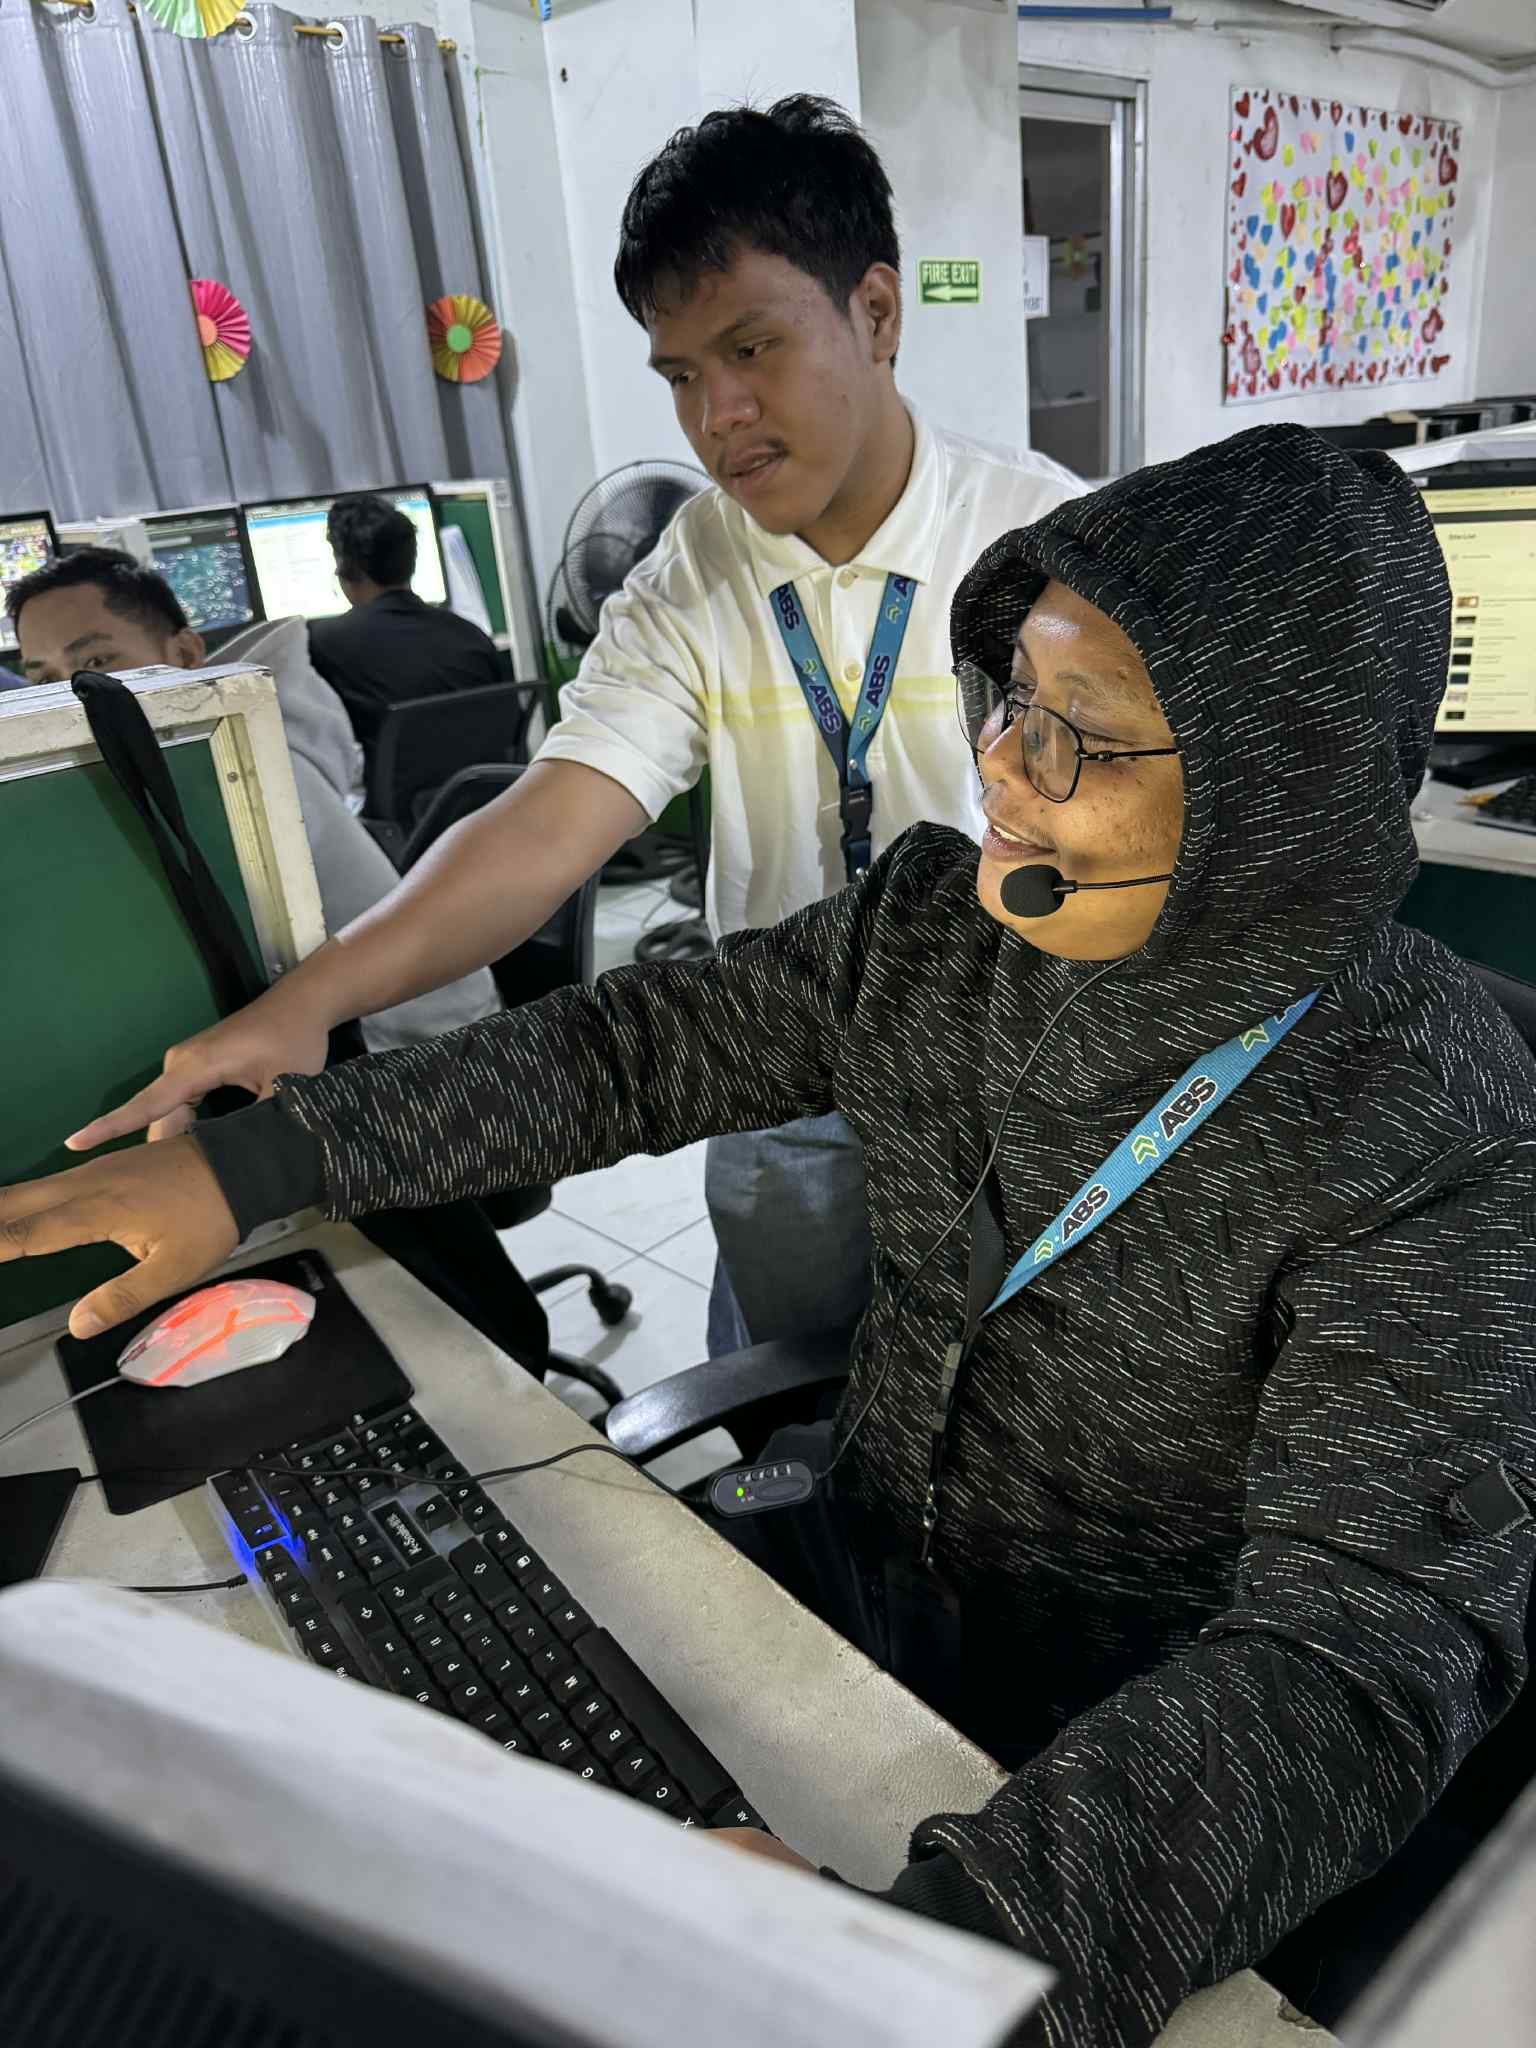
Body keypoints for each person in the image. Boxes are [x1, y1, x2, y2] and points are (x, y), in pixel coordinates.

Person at [9, 425, 1536, 2045]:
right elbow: (632, 1048)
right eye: (1010, 695)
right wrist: (268, 1158)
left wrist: (951, 1947)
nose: (1003, 769)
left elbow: (1351, 1656)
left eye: (1078, 739)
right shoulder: (940, 926)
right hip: (863, 1589)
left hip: (1127, 1764)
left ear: (1273, 799)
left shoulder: (1437, 1137)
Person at [62, 96, 1082, 1359]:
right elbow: (547, 824)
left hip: (1006, 1075)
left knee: (1004, 1419)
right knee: (791, 1397)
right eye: (681, 377)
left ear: (876, 312)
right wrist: (308, 1001)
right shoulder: (693, 571)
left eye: (752, 349)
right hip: (778, 1080)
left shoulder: (1052, 550)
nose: (718, 419)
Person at [6, 549, 500, 1062]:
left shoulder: (233, 771)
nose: (71, 698)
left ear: (186, 654)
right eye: (44, 680)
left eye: (96, 663)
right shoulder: (191, 749)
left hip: (418, 1056)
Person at [307, 493, 501, 755]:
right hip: (490, 791)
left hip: (395, 795)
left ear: (345, 568)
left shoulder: (324, 643)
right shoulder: (471, 636)